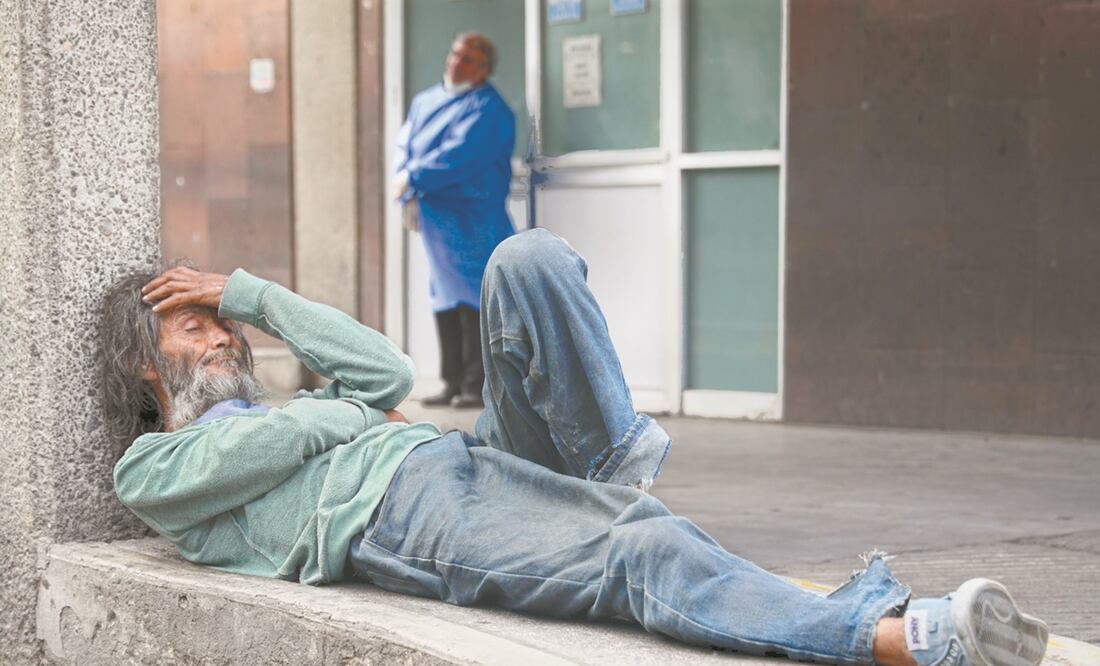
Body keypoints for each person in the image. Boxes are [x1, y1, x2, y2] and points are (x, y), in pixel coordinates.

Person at [103, 230, 1048, 666]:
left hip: (460, 460)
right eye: (195, 330)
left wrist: (253, 294)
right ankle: (899, 638)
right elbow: (331, 425)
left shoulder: (287, 398)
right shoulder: (152, 469)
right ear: (149, 371)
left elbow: (387, 374)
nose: (223, 340)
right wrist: (355, 419)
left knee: (527, 263)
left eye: (219, 323)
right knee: (642, 549)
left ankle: (610, 466)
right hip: (407, 516)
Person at [393, 32, 516, 409]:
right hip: (436, 217)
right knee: (444, 296)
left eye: (469, 59)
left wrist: (413, 178)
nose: (457, 63)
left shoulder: (489, 110)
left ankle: (476, 383)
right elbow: (406, 145)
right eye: (456, 54)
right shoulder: (426, 101)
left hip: (473, 216)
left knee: (477, 296)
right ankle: (450, 380)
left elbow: (460, 155)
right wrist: (407, 189)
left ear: (483, 70)